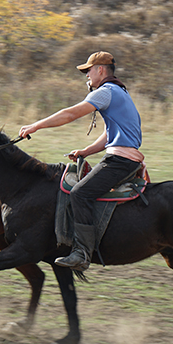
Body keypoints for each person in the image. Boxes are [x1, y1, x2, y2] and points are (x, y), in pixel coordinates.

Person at [18, 51, 144, 271]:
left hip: (120, 160)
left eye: (88, 71)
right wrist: (87, 151)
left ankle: (82, 253)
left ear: (100, 70)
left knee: (80, 193)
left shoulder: (106, 92)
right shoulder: (120, 92)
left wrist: (35, 126)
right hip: (122, 157)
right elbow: (111, 134)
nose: (86, 76)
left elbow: (70, 114)